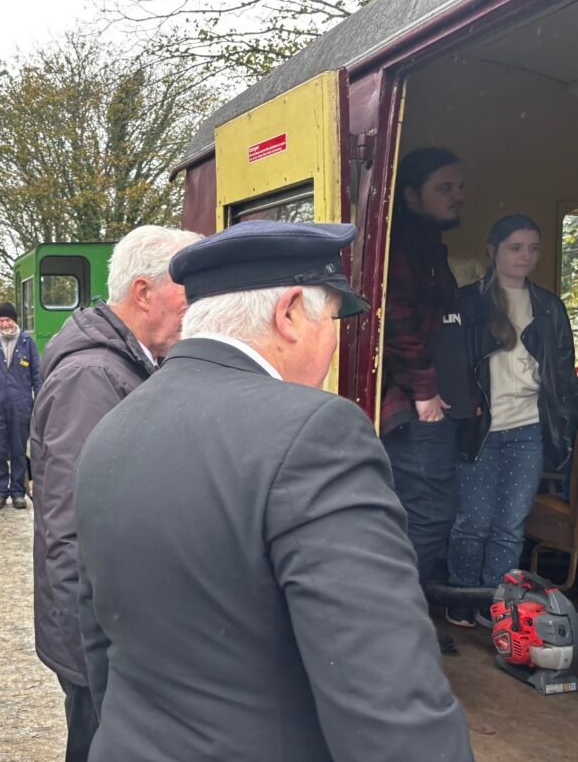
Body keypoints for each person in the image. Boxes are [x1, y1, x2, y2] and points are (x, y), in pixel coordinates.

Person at [74, 221, 473, 762]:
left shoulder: (111, 429)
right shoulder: (316, 433)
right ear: (288, 314)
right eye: (332, 319)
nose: (334, 341)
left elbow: (99, 644)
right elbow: (387, 700)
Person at [29, 225, 200, 762]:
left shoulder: (120, 364)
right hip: (99, 646)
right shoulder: (93, 378)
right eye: (186, 293)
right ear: (143, 292)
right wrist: (94, 659)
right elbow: (72, 528)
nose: (195, 309)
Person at [447, 215, 578, 626]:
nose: (526, 256)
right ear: (493, 250)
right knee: (474, 522)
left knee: (510, 527)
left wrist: (563, 425)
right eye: (516, 247)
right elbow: (454, 366)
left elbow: (562, 371)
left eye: (534, 248)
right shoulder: (469, 302)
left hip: (528, 428)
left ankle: (497, 606)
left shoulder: (549, 306)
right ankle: (462, 598)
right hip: (482, 428)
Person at [380, 147, 470, 586]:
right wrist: (424, 390)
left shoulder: (428, 244)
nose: (458, 196)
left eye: (461, 187)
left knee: (425, 514)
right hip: (417, 406)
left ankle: (403, 621)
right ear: (412, 196)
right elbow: (395, 318)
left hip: (433, 400)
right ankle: (400, 626)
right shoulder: (404, 243)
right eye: (446, 188)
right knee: (430, 516)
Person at [0, 302, 41, 510]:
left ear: (15, 321)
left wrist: (39, 403)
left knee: (19, 449)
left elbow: (37, 377)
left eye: (7, 320)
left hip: (20, 405)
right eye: (1, 320)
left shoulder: (27, 342)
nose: (4, 324)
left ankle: (18, 492)